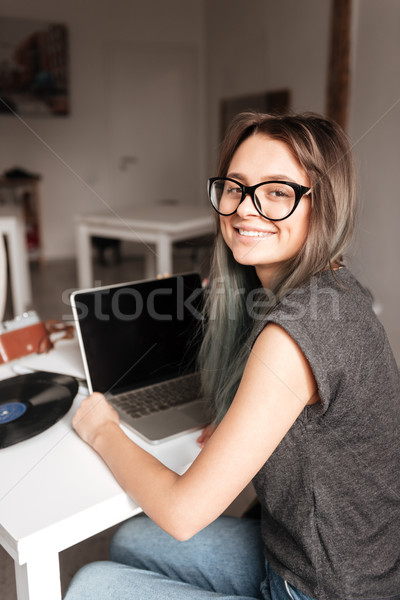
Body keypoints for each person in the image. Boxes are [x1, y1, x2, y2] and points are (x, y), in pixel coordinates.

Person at [65, 112, 400, 600]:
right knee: (131, 538)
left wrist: (102, 429)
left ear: (322, 206)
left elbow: (183, 514)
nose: (246, 209)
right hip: (329, 558)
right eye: (236, 187)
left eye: (278, 192)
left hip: (325, 590)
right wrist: (248, 419)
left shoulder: (293, 336)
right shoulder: (338, 288)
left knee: (90, 585)